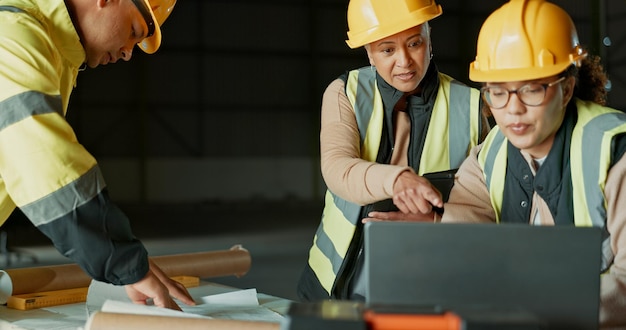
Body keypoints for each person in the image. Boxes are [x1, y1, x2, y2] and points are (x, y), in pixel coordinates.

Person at [440, 0, 626, 327]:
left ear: (566, 89)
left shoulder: (614, 152)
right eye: (497, 92)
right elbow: (461, 246)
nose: (513, 109)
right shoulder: (490, 154)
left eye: (531, 89)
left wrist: (532, 306)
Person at [0, 0, 195, 310]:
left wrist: (128, 257)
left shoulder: (51, 49)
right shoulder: (11, 35)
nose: (129, 52)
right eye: (133, 31)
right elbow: (44, 165)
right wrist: (123, 260)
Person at [297, 0, 491, 301]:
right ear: (370, 53)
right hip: (331, 283)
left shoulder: (472, 106)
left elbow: (490, 207)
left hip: (424, 286)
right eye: (387, 49)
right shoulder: (345, 92)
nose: (404, 61)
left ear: (429, 41)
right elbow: (337, 168)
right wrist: (397, 179)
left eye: (414, 43)